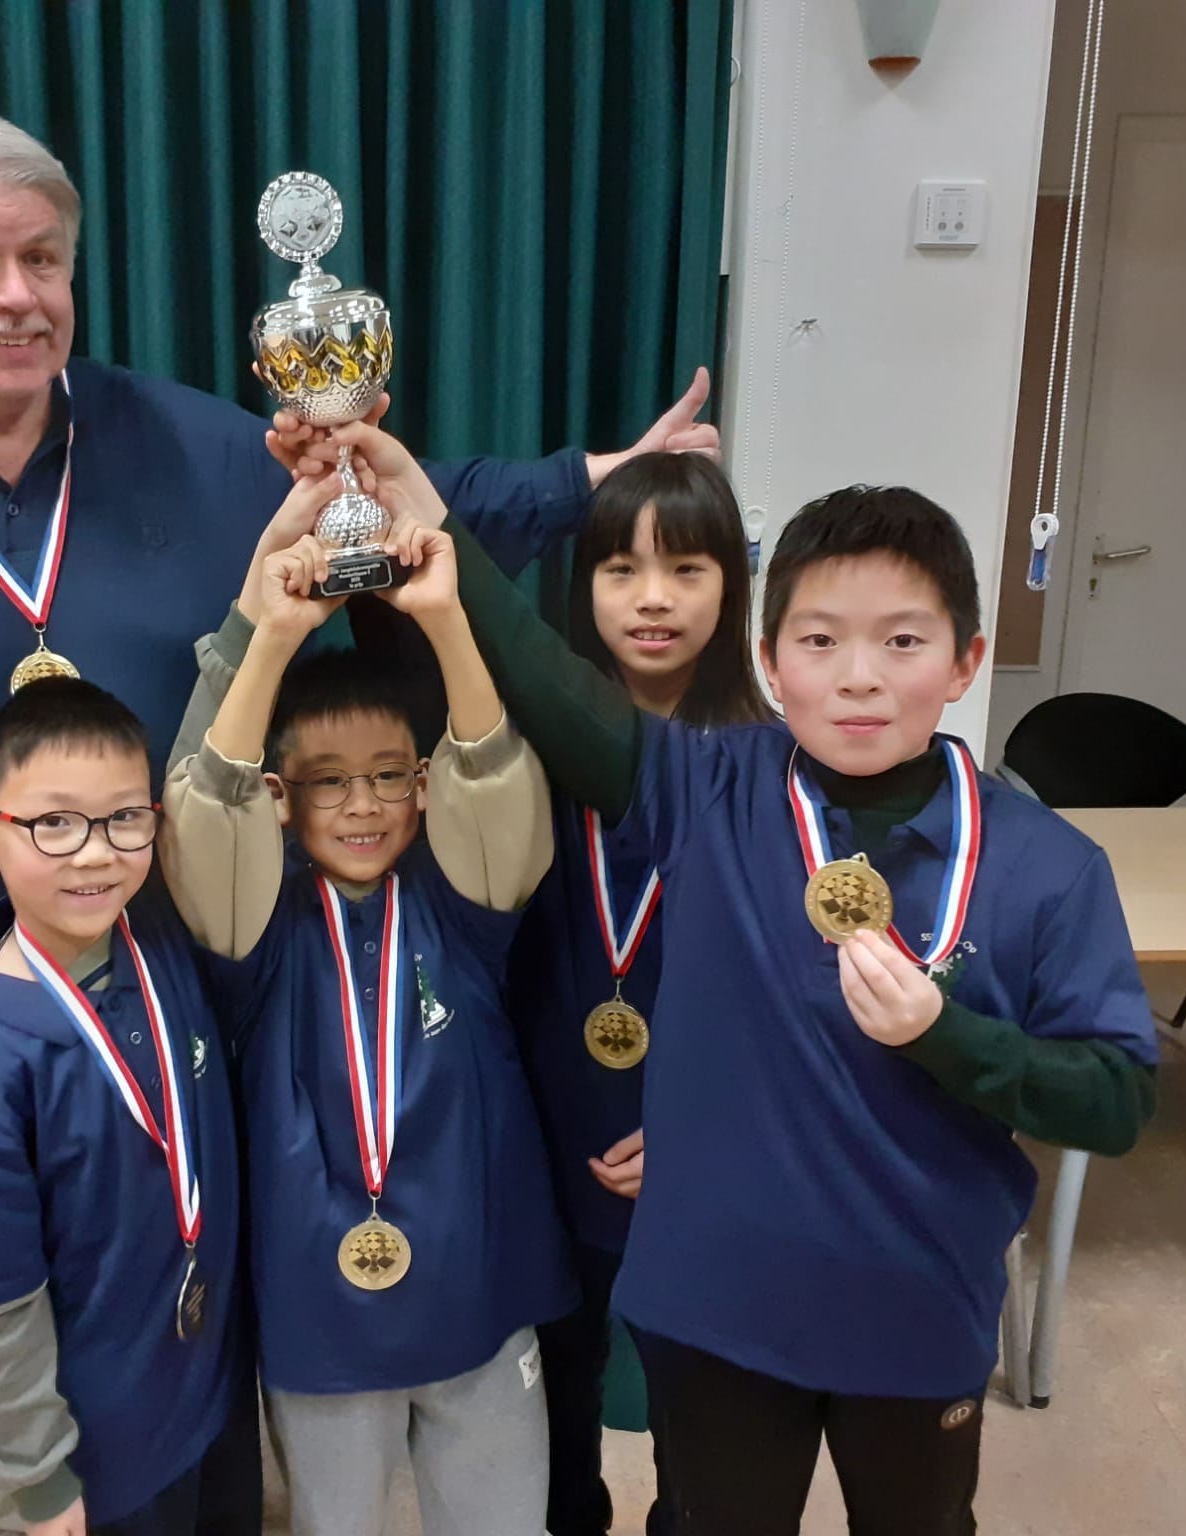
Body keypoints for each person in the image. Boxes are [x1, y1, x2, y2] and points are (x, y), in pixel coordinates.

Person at [0, 109, 717, 1535]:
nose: (15, 294)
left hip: (187, 1006)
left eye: (44, 259)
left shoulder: (186, 444)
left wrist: (588, 481)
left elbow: (376, 504)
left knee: (201, 1350)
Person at [334, 422, 1159, 1536]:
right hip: (714, 1309)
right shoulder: (705, 786)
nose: (858, 677)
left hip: (914, 1310)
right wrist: (425, 519)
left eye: (902, 642)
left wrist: (945, 1034)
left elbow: (1112, 1102)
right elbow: (546, 676)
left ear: (965, 660)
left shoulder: (1048, 869)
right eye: (818, 641)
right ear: (773, 660)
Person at [158, 484, 573, 1536]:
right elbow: (204, 819)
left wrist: (441, 618)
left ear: (422, 786)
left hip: (477, 1285)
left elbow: (498, 780)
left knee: (502, 1520)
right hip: (316, 1301)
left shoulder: (461, 900)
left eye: (387, 777)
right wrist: (270, 636)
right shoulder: (256, 921)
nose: (359, 804)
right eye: (326, 782)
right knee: (330, 1522)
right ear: (282, 799)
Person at [0, 676, 252, 1536]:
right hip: (102, 1449)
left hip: (211, 1390)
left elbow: (207, 757)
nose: (97, 853)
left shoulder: (159, 944)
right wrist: (40, 1481)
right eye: (55, 823)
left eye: (125, 819)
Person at [506, 453, 771, 1536]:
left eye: (686, 567)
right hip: (549, 1128)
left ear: (733, 587)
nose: (652, 598)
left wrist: (703, 1128)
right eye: (619, 568)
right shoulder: (529, 741)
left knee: (697, 1415)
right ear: (581, 587)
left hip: (701, 1144)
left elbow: (782, 993)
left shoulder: (768, 764)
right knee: (553, 1402)